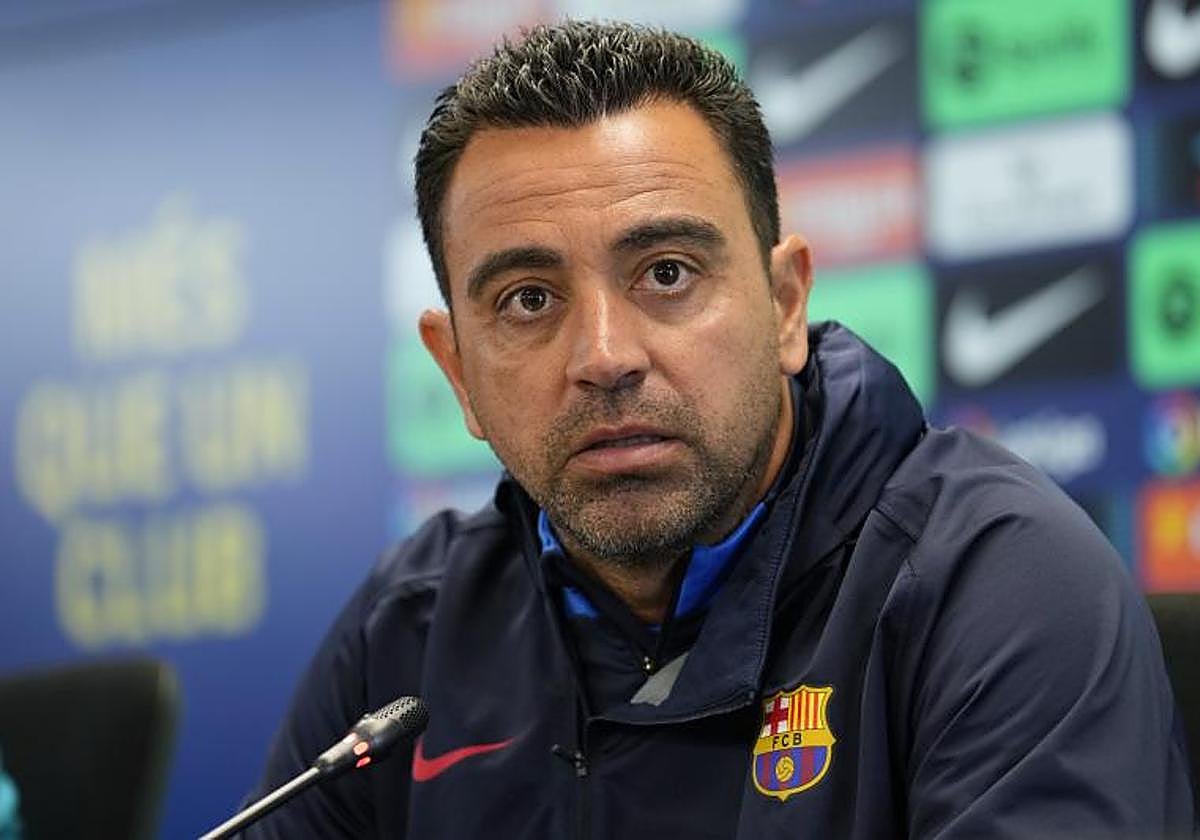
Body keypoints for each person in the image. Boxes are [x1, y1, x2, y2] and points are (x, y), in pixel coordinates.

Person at [246, 20, 1194, 838]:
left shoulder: (998, 580)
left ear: (784, 305)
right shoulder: (409, 631)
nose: (604, 355)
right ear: (457, 369)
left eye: (666, 273)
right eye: (529, 298)